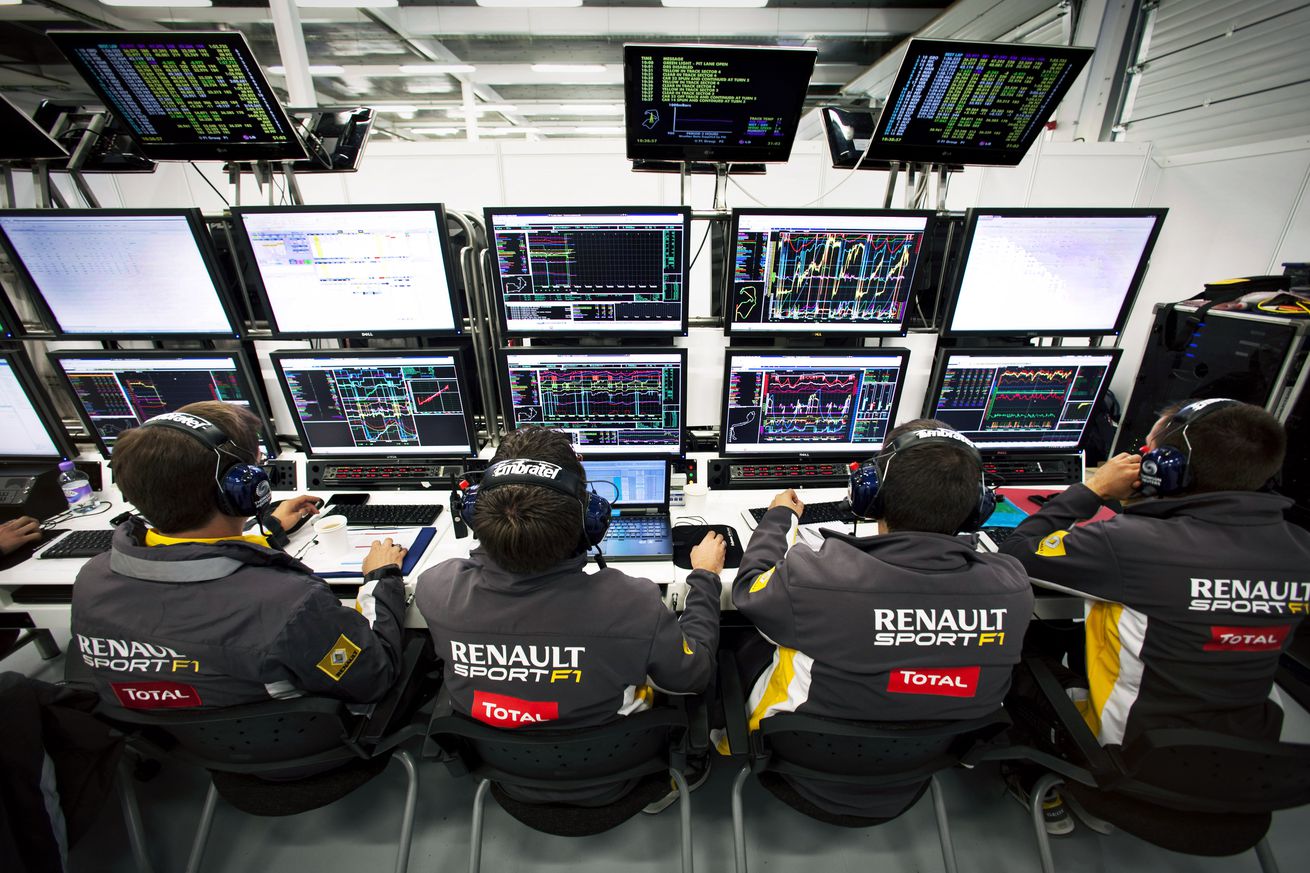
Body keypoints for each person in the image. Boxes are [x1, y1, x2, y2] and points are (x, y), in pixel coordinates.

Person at [731, 419, 1033, 822]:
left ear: (870, 492)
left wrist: (778, 519)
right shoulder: (1012, 586)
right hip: (922, 760)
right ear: (978, 508)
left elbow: (748, 589)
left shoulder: (817, 578)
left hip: (801, 755)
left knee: (733, 642)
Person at [415, 425, 725, 810]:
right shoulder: (633, 604)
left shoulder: (435, 587)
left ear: (475, 513)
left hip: (507, 774)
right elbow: (693, 676)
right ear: (590, 522)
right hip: (618, 774)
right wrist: (706, 580)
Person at [999, 399, 1310, 749]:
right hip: (1247, 755)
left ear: (1164, 469)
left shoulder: (1127, 543)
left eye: (1147, 452)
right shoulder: (1301, 548)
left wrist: (1093, 490)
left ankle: (1028, 774)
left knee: (1016, 649)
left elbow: (1017, 553)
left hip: (1128, 751)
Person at [72, 401, 408, 710]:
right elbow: (373, 678)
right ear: (247, 491)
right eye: (258, 467)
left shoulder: (93, 578)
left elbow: (192, 561)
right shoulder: (291, 604)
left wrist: (271, 529)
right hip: (303, 745)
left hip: (188, 747)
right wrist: (381, 579)